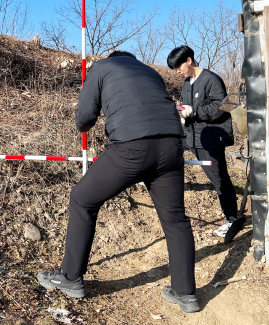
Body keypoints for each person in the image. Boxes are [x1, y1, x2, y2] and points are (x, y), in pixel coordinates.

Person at [37, 51, 200, 313]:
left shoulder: (102, 67)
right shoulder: (150, 72)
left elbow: (84, 118)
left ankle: (69, 277)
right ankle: (186, 294)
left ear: (113, 58)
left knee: (82, 199)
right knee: (175, 219)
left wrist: (87, 123)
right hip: (172, 146)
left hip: (132, 147)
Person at [167, 45, 244, 243]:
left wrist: (194, 112)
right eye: (174, 68)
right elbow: (188, 108)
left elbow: (220, 107)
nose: (178, 71)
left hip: (210, 137)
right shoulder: (186, 83)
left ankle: (231, 218)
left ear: (189, 60)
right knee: (167, 148)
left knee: (219, 179)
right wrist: (183, 113)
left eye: (178, 66)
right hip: (189, 135)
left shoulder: (211, 79)